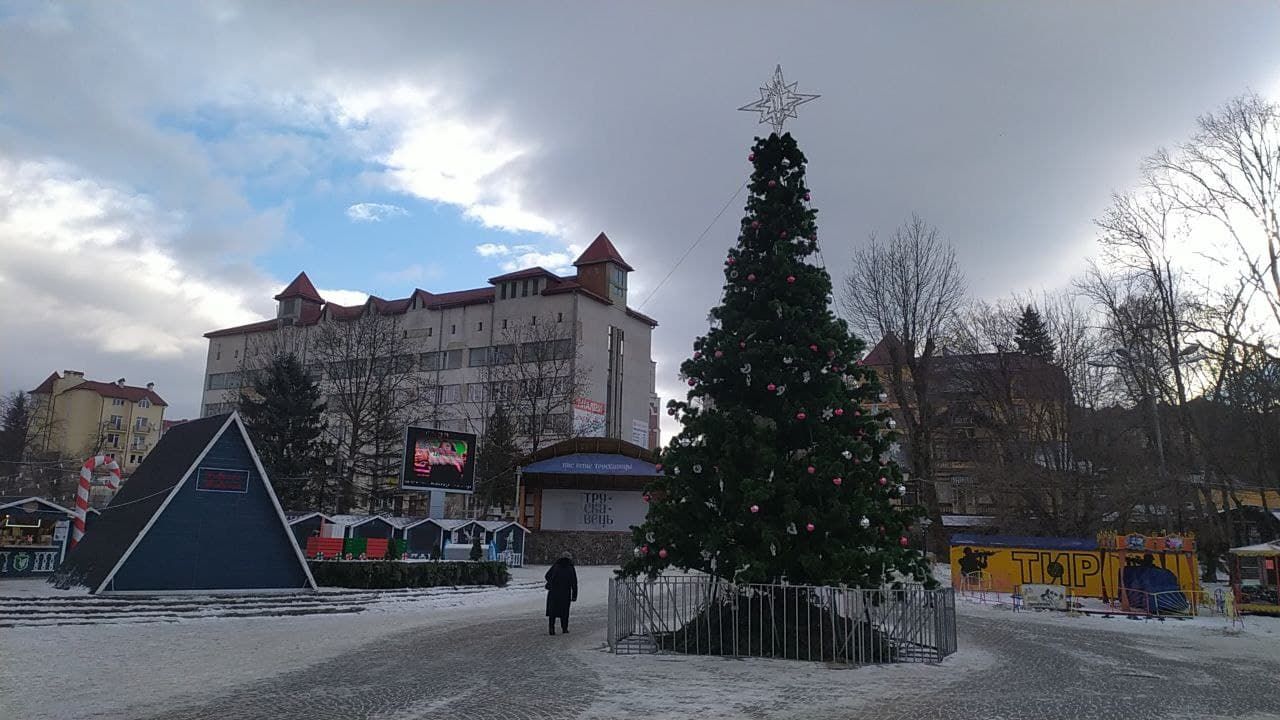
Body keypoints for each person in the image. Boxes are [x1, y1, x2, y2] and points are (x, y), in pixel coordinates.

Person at [545, 555, 578, 635]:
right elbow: (574, 582)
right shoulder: (570, 568)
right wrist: (574, 595)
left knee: (552, 611)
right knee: (565, 611)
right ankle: (564, 628)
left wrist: (552, 581)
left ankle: (551, 628)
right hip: (565, 592)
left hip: (554, 592)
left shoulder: (556, 566)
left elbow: (547, 576)